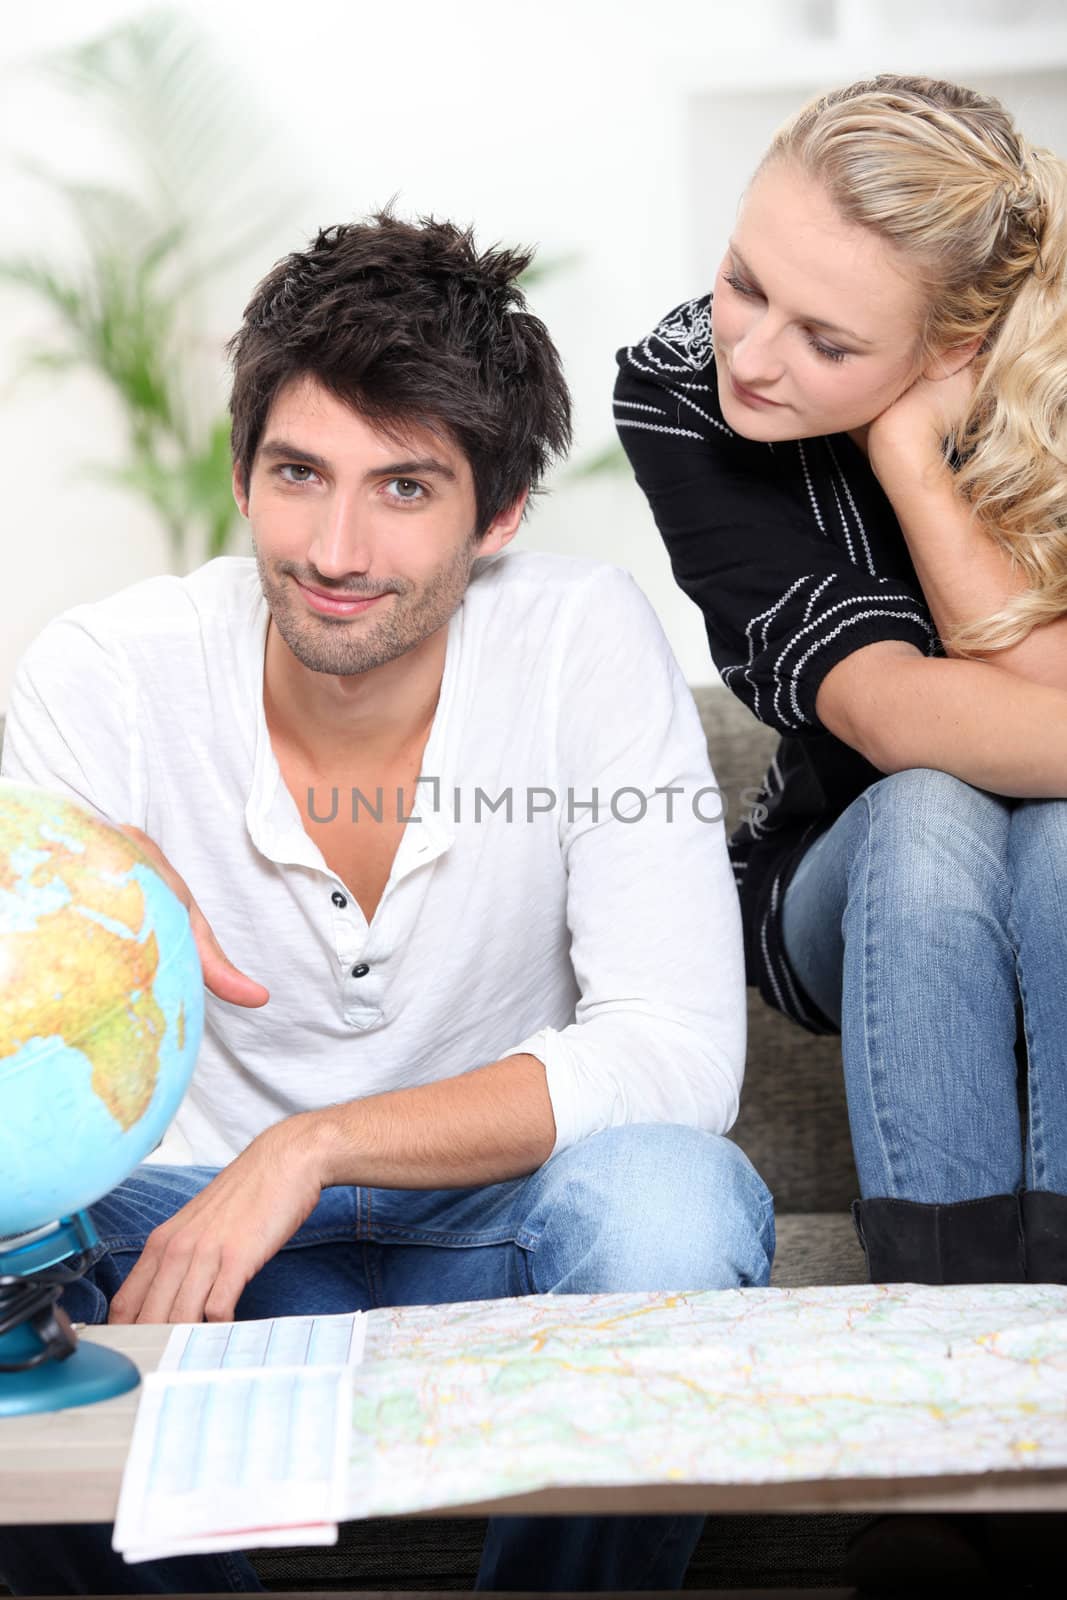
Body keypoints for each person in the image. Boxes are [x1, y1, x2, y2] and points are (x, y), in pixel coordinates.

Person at [0, 212, 773, 1595]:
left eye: (405, 489)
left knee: (670, 1201)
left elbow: (675, 1056)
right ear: (243, 476)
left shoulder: (581, 641)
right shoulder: (105, 675)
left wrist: (309, 1146)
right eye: (300, 473)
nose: (337, 547)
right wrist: (65, 887)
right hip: (188, 1239)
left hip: (498, 1224)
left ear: (498, 515)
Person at [614, 74, 1067, 1288]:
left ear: (956, 349)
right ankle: (942, 1334)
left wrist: (909, 459)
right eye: (744, 281)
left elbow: (1044, 675)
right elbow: (890, 710)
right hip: (845, 874)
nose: (748, 357)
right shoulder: (676, 389)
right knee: (927, 803)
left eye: (825, 342)